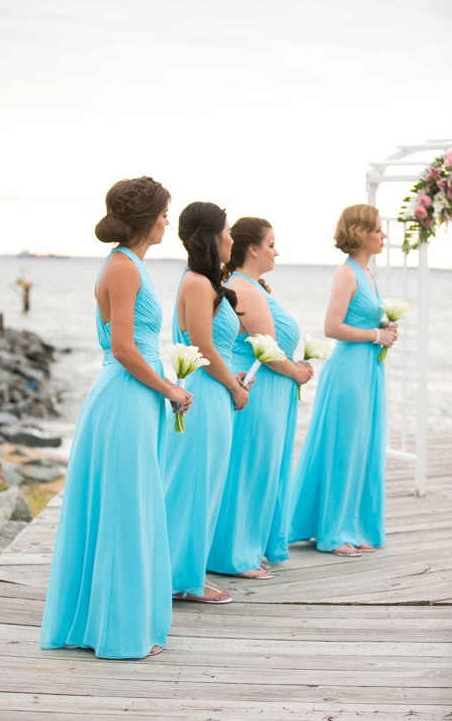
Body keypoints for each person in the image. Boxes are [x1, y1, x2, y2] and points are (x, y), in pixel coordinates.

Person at [40, 176, 190, 659]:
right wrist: (168, 386)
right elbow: (124, 347)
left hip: (133, 398)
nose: (170, 220)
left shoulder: (131, 265)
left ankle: (109, 620)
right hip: (125, 398)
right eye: (165, 212)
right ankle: (119, 632)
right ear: (148, 218)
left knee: (129, 505)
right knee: (125, 508)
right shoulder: (124, 267)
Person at [287, 204, 397, 557]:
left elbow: (360, 320)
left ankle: (356, 524)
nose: (383, 235)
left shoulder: (369, 274)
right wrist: (374, 336)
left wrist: (383, 329)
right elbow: (332, 327)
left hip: (370, 371)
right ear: (361, 233)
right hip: (349, 371)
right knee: (344, 447)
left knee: (364, 446)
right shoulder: (347, 274)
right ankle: (333, 531)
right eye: (378, 229)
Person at [208, 218, 313, 578]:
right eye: (271, 244)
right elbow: (268, 350)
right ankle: (236, 554)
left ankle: (250, 544)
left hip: (269, 391)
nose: (276, 250)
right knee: (249, 469)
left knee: (262, 468)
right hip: (257, 389)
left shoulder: (251, 286)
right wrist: (297, 372)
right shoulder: (245, 288)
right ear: (252, 248)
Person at [161, 202, 250, 605]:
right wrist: (234, 386)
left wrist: (234, 379)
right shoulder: (197, 281)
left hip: (216, 390)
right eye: (228, 231)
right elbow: (202, 347)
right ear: (213, 237)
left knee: (207, 484)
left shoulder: (207, 282)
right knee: (193, 484)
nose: (233, 238)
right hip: (207, 392)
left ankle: (186, 572)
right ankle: (182, 579)